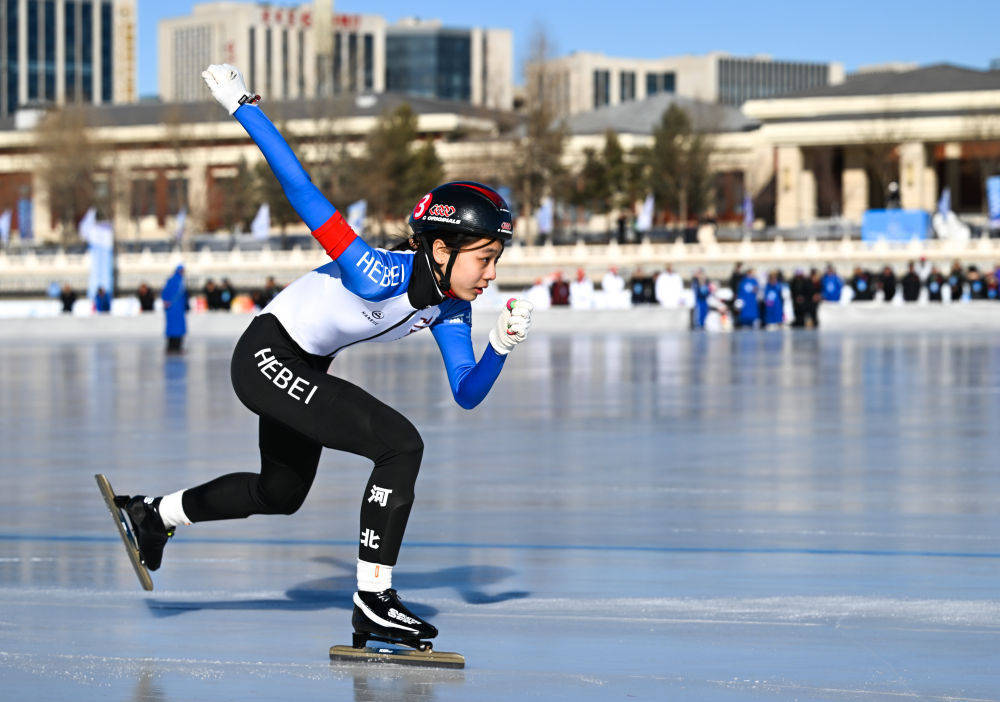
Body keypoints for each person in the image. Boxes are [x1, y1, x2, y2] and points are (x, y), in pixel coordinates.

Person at [112, 63, 533, 652]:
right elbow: (302, 189)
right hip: (265, 353)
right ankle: (373, 601)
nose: (491, 274)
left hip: (305, 367)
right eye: (484, 258)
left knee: (280, 493)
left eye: (496, 262)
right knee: (399, 444)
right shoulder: (376, 272)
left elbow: (466, 390)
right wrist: (242, 104)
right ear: (440, 248)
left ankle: (153, 516)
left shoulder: (451, 310)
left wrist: (501, 347)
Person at [162, 265, 188, 353]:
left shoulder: (176, 280)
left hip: (176, 309)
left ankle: (173, 347)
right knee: (175, 329)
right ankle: (174, 347)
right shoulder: (176, 281)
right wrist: (166, 301)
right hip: (174, 309)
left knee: (175, 329)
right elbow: (165, 293)